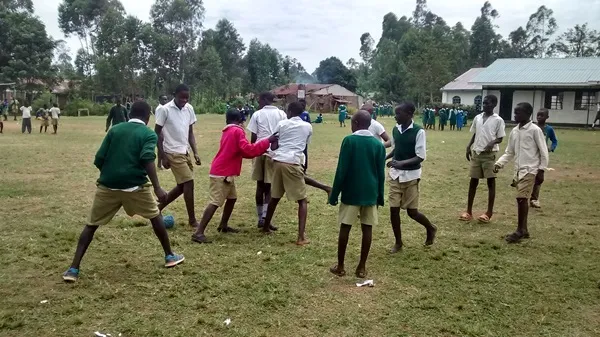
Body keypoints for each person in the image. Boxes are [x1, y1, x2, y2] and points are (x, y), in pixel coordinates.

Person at [61, 101, 185, 283]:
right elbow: (147, 158)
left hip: (107, 186)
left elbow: (99, 158)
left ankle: (73, 269)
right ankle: (169, 256)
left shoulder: (115, 130)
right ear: (148, 116)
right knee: (155, 216)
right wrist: (157, 187)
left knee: (91, 224)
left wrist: (111, 175)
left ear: (130, 114)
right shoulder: (148, 134)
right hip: (135, 186)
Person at [191, 109, 279, 244]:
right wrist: (267, 141)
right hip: (223, 173)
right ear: (240, 121)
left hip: (225, 171)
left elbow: (242, 150)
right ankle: (199, 232)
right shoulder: (237, 131)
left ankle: (223, 225)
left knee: (232, 198)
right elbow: (248, 150)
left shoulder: (228, 131)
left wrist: (261, 147)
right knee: (215, 202)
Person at [261, 101, 331, 245]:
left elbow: (274, 143)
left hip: (278, 161)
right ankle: (301, 237)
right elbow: (305, 144)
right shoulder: (307, 126)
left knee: (274, 197)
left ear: (290, 112)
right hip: (293, 161)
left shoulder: (282, 124)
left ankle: (266, 227)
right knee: (302, 201)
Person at [328, 111, 386, 278]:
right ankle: (361, 267)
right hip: (370, 193)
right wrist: (380, 196)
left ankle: (340, 266)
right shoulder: (378, 145)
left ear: (357, 123)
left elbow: (341, 171)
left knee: (345, 227)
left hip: (351, 192)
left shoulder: (349, 141)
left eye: (352, 122)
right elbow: (380, 175)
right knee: (367, 228)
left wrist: (334, 195)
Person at [494, 103, 549, 243]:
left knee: (521, 198)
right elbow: (509, 152)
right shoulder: (515, 131)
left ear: (528, 114)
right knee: (521, 199)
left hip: (531, 170)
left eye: (518, 113)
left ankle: (520, 230)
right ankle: (524, 230)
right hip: (518, 171)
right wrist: (499, 163)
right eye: (515, 112)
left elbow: (544, 151)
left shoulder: (535, 130)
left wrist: (541, 170)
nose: (515, 115)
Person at [386, 103, 437, 252]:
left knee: (412, 212)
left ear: (409, 114)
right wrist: (384, 157)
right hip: (395, 175)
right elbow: (396, 149)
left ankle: (430, 228)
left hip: (411, 176)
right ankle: (398, 243)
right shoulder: (396, 129)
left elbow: (420, 156)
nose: (396, 116)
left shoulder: (418, 131)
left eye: (398, 114)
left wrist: (400, 163)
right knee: (393, 210)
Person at [155, 84, 202, 228]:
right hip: (172, 151)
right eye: (181, 97)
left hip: (185, 151)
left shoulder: (189, 109)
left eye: (187, 97)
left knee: (182, 186)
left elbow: (190, 132)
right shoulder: (165, 110)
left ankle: (157, 209)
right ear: (174, 94)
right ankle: (192, 220)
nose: (184, 100)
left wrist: (195, 152)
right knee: (189, 182)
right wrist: (162, 156)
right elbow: (156, 133)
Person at [460, 95, 505, 223]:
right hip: (476, 152)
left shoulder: (498, 120)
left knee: (491, 182)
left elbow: (500, 137)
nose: (485, 105)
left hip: (489, 155)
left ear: (494, 105)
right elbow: (475, 133)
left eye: (488, 103)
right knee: (473, 181)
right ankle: (468, 211)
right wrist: (469, 146)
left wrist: (492, 142)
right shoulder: (478, 118)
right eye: (484, 103)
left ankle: (488, 213)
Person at [247, 92, 287, 229]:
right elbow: (283, 134)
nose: (258, 102)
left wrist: (253, 151)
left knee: (260, 186)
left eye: (259, 99)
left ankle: (260, 218)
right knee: (269, 188)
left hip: (259, 151)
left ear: (264, 100)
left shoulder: (257, 114)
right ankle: (266, 218)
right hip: (274, 153)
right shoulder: (282, 114)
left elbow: (253, 136)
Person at [530, 108, 558, 209]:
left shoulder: (549, 129)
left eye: (542, 115)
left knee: (539, 178)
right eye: (538, 115)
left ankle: (534, 199)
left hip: (542, 156)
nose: (539, 117)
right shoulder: (532, 127)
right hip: (531, 155)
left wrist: (551, 148)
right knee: (529, 176)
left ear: (547, 117)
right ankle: (526, 196)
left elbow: (554, 140)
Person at [155, 95, 169, 169]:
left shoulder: (160, 108)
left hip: (161, 130)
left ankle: (159, 164)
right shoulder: (161, 108)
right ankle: (160, 164)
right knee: (161, 147)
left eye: (166, 99)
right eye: (163, 99)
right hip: (160, 130)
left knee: (160, 147)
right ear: (159, 100)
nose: (165, 101)